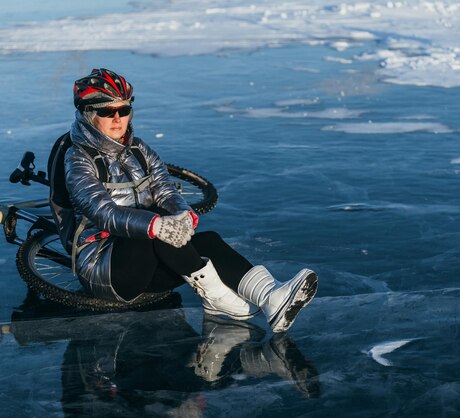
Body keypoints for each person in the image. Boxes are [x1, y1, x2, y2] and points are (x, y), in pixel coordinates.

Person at [61, 68, 318, 332]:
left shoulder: (139, 150)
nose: (117, 119)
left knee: (207, 241)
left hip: (148, 260)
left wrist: (184, 215)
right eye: (106, 111)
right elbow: (104, 213)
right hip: (107, 265)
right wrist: (156, 226)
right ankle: (216, 298)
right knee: (159, 234)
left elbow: (165, 190)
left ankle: (270, 296)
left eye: (123, 110)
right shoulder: (78, 160)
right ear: (90, 115)